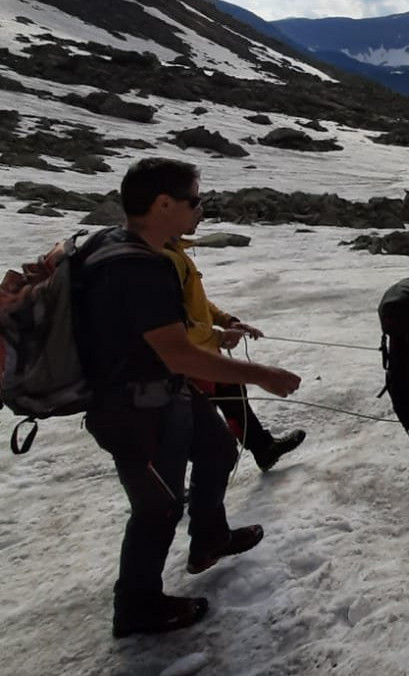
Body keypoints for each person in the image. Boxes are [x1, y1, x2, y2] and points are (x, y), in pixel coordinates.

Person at [80, 158, 301, 637]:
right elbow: (179, 354)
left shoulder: (128, 248)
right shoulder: (139, 268)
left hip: (162, 393)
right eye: (195, 199)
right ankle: (136, 606)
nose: (201, 209)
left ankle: (210, 538)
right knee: (158, 506)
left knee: (219, 449)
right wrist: (262, 374)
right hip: (132, 407)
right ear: (163, 204)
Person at [163, 222, 307, 471]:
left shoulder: (177, 251)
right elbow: (175, 321)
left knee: (231, 393)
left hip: (204, 352)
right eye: (194, 203)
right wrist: (218, 337)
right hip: (192, 359)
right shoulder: (164, 259)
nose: (199, 213)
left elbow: (198, 302)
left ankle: (263, 448)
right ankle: (171, 486)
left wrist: (228, 321)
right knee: (198, 429)